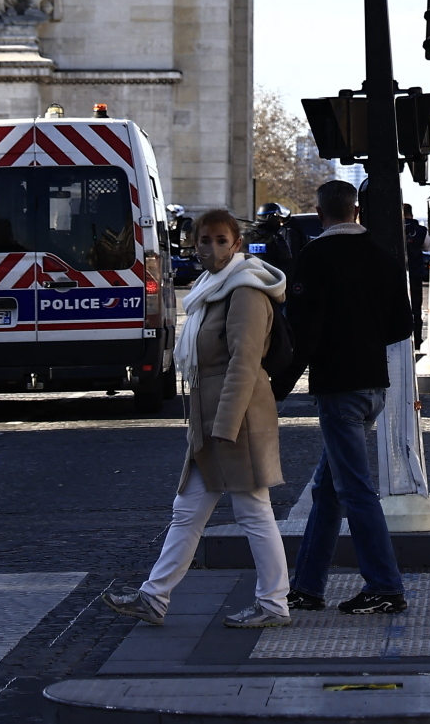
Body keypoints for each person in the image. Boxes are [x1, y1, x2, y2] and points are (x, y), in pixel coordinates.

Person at [104, 208, 292, 630]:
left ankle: (274, 602)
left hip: (234, 418)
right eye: (204, 241)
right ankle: (154, 596)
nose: (212, 249)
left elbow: (243, 363)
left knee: (253, 511)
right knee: (188, 511)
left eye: (221, 240)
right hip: (210, 417)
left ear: (236, 244)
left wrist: (223, 427)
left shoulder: (243, 290)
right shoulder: (212, 286)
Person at [284, 180, 414, 615]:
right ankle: (306, 586)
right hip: (373, 382)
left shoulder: (314, 257)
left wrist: (275, 385)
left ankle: (385, 586)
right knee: (328, 488)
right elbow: (402, 325)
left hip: (337, 384)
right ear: (356, 212)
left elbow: (302, 333)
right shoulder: (383, 258)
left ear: (320, 213)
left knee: (355, 490)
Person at [403, 204, 430, 345]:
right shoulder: (420, 230)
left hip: (397, 273)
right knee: (416, 307)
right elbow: (428, 246)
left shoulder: (391, 228)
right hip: (415, 272)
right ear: (411, 215)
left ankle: (402, 338)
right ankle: (418, 338)